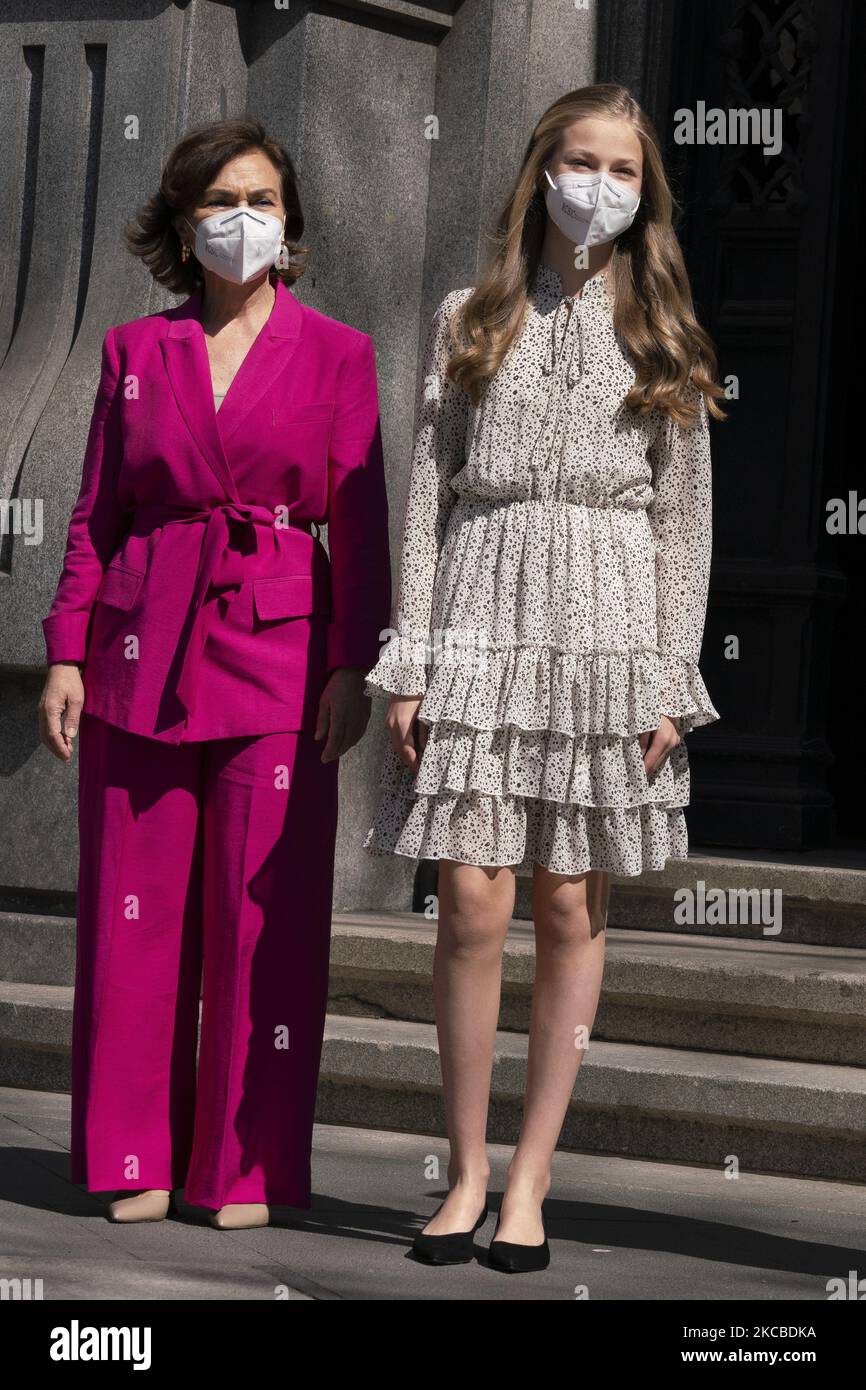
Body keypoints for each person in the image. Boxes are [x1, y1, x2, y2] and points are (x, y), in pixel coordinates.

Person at [364, 84, 722, 1273]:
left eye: (622, 170)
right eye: (579, 162)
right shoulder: (469, 315)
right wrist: (408, 656)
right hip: (480, 598)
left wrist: (670, 677)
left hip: (609, 621)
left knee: (568, 901)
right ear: (538, 173)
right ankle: (461, 1171)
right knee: (468, 898)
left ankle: (529, 1179)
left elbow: (684, 522)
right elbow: (424, 493)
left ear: (644, 193)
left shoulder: (664, 331)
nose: (598, 186)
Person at [37, 117, 390, 1230]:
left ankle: (241, 1166)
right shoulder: (134, 353)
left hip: (283, 657)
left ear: (289, 225)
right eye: (221, 201)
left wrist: (355, 663)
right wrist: (62, 649)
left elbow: (363, 526)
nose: (245, 219)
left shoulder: (339, 352)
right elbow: (97, 513)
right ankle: (131, 1151)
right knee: (133, 919)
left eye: (265, 200)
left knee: (262, 919)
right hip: (140, 649)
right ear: (184, 228)